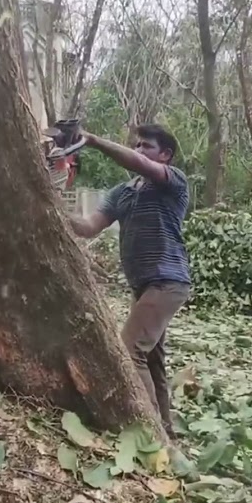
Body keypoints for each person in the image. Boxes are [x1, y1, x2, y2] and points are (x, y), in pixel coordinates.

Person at [68, 124, 191, 439]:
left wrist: (94, 140)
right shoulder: (121, 194)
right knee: (152, 362)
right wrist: (51, 200)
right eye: (135, 145)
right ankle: (166, 431)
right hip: (143, 288)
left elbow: (139, 166)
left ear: (165, 155)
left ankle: (153, 436)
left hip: (168, 281)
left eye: (146, 146)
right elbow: (86, 228)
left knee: (129, 349)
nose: (138, 151)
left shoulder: (173, 182)